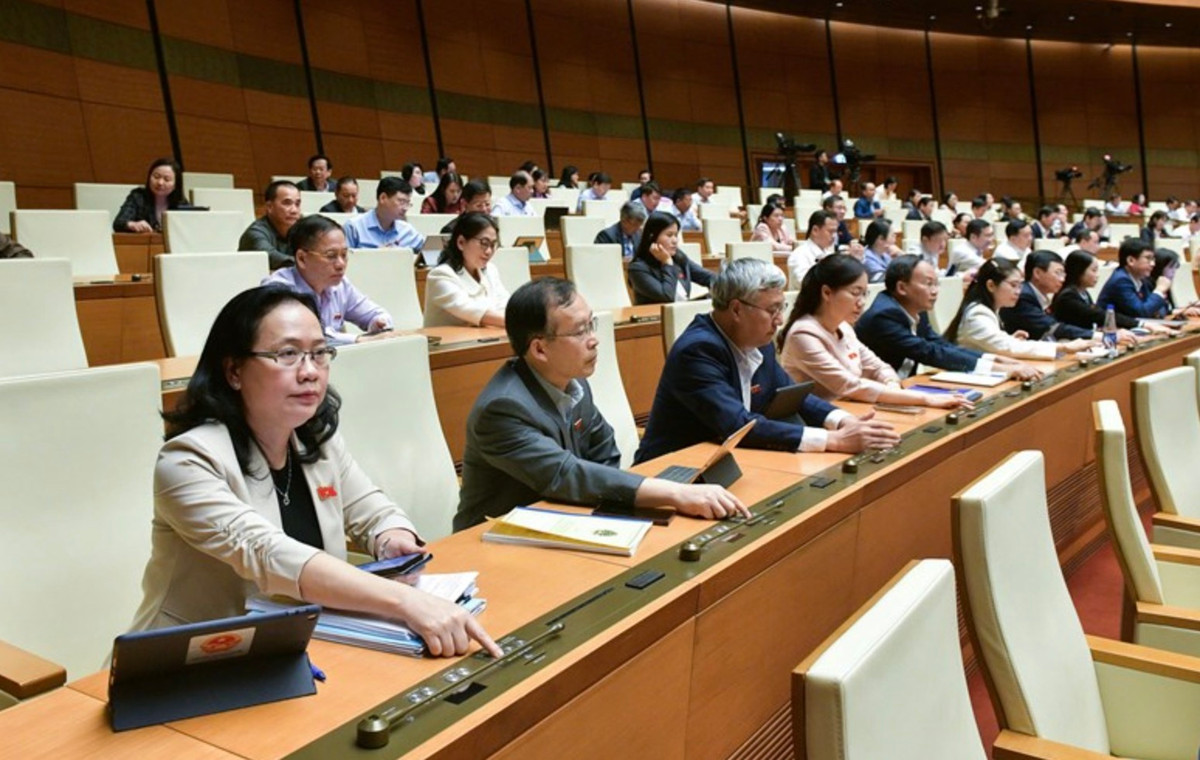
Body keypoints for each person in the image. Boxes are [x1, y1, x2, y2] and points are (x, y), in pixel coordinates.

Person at [128, 285, 500, 658]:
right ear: (234, 370)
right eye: (288, 354)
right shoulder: (189, 460)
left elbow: (371, 507)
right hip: (191, 660)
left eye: (319, 353)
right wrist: (403, 601)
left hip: (298, 647)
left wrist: (391, 537)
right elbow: (270, 555)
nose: (309, 372)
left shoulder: (315, 441)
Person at [454, 278, 749, 531]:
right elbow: (565, 474)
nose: (594, 340)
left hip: (561, 520)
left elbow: (603, 449)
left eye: (591, 325)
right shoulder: (502, 409)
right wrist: (675, 493)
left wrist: (609, 501)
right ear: (539, 348)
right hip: (495, 539)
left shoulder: (575, 384)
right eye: (579, 331)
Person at [635, 258, 899, 463]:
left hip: (728, 461)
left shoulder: (760, 343)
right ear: (737, 309)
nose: (780, 320)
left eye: (781, 308)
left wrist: (843, 421)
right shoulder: (698, 350)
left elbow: (794, 395)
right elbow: (739, 426)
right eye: (772, 310)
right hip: (673, 470)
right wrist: (835, 440)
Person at [778, 255, 972, 410]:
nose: (862, 302)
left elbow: (879, 367)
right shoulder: (803, 334)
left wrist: (893, 386)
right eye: (855, 293)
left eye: (865, 294)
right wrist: (925, 399)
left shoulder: (844, 327)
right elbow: (851, 386)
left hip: (851, 411)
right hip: (819, 420)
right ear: (827, 293)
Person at [856, 255, 1040, 380]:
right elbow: (929, 352)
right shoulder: (884, 315)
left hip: (901, 386)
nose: (935, 291)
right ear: (902, 288)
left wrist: (994, 359)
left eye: (936, 283)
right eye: (928, 284)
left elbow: (940, 344)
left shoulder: (915, 308)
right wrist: (1002, 370)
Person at [262, 215, 392, 345]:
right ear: (302, 258)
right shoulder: (278, 290)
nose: (341, 264)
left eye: (344, 255)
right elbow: (308, 338)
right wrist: (357, 339)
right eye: (331, 256)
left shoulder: (341, 285)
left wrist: (379, 324)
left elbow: (376, 314)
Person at [945, 258, 1093, 360]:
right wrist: (1063, 347)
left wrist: (1009, 339)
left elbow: (1000, 344)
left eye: (1020, 285)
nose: (1018, 292)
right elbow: (1007, 347)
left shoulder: (990, 309)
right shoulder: (977, 314)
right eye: (1013, 285)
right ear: (991, 286)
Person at [422, 212, 510, 329]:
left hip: (484, 336)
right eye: (484, 243)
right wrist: (519, 322)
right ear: (461, 242)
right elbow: (472, 311)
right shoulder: (440, 275)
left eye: (493, 244)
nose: (489, 251)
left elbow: (505, 304)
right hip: (449, 340)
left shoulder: (490, 270)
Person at [1052, 250, 1166, 335]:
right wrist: (1141, 324)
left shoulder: (1082, 292)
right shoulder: (1068, 296)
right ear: (1079, 271)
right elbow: (1099, 315)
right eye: (1093, 270)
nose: (1097, 275)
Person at [997, 250, 1097, 341]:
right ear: (1037, 273)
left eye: (1063, 274)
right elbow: (1051, 328)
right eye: (1058, 273)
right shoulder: (1023, 296)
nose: (1062, 279)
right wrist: (1093, 335)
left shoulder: (1038, 294)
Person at [627, 212, 713, 305]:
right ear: (652, 237)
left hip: (683, 311)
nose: (675, 241)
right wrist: (667, 263)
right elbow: (668, 297)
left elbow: (709, 278)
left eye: (676, 235)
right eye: (669, 235)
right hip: (657, 313)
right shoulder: (638, 268)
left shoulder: (679, 258)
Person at [343, 177, 424, 252]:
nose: (405, 208)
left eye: (408, 203)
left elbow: (428, 250)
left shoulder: (406, 230)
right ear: (383, 198)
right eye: (401, 202)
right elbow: (344, 259)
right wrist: (377, 255)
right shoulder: (354, 227)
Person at [1096, 239, 1173, 319]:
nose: (1153, 264)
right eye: (1148, 258)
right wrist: (1159, 290)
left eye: (1153, 259)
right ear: (1131, 260)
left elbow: (1154, 308)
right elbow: (1141, 313)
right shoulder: (1121, 281)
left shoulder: (1141, 279)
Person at [113, 158, 189, 233]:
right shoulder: (138, 197)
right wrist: (132, 224)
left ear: (175, 185)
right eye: (156, 177)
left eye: (167, 179)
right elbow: (118, 223)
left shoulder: (181, 203)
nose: (160, 183)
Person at [239, 180, 302, 270]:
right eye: (287, 203)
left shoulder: (303, 226)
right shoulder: (255, 233)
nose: (294, 210)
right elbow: (274, 258)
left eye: (297, 204)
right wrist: (312, 264)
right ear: (269, 207)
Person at [790, 210, 838, 286]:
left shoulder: (829, 254)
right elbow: (804, 283)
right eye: (830, 231)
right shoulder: (799, 254)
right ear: (815, 230)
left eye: (835, 232)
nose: (834, 236)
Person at [1150, 248, 1200, 317]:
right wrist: (1179, 311)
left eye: (1175, 267)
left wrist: (1184, 309)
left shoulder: (1167, 283)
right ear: (1158, 268)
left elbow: (1169, 309)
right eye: (1171, 267)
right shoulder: (1150, 286)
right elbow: (1158, 312)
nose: (1174, 271)